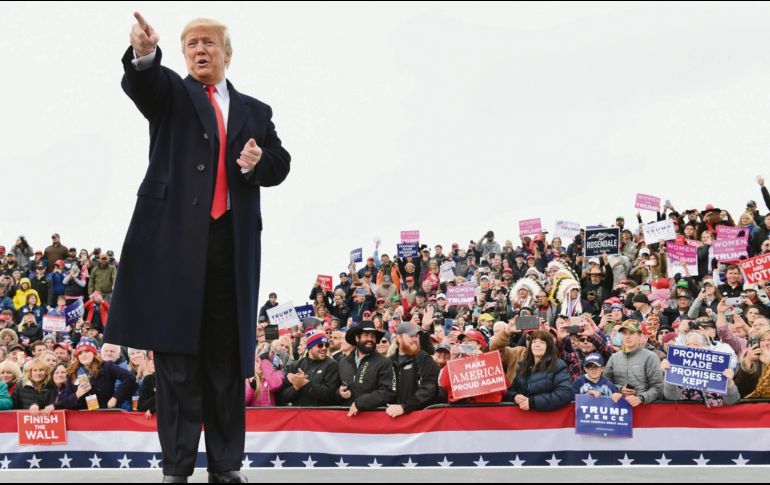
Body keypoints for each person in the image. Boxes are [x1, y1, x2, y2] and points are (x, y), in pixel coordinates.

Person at [104, 12, 291, 483]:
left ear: (227, 54)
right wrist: (145, 53)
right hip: (175, 248)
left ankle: (226, 466)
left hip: (231, 246)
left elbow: (281, 162)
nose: (199, 50)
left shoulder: (256, 111)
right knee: (178, 364)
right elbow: (144, 85)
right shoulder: (172, 94)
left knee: (227, 364)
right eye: (191, 45)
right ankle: (177, 466)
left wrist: (258, 162)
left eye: (208, 43)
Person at [661, 332, 739, 406]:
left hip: (715, 415)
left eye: (696, 344)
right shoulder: (677, 367)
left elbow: (732, 401)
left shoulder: (719, 368)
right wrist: (669, 374)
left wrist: (729, 384)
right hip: (689, 415)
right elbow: (671, 397)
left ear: (706, 348)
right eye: (688, 344)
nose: (691, 347)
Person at [57, 338, 136, 411]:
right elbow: (63, 402)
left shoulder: (107, 366)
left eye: (87, 351)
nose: (83, 355)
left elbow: (130, 378)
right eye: (80, 353)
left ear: (94, 353)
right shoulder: (72, 373)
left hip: (105, 416)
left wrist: (115, 398)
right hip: (82, 418)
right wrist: (77, 395)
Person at [337, 322, 397, 417]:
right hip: (346, 421)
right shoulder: (342, 362)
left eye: (373, 336)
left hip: (372, 420)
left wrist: (361, 402)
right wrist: (339, 392)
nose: (370, 339)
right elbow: (335, 387)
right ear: (357, 338)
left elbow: (388, 392)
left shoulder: (384, 362)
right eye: (366, 335)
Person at [506, 329, 574, 411]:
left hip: (547, 419)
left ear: (549, 347)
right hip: (524, 418)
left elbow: (565, 393)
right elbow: (512, 389)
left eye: (542, 342)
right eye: (534, 342)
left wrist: (533, 402)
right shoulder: (522, 366)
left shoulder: (558, 365)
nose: (537, 345)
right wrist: (515, 396)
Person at [604, 320, 663, 407]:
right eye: (624, 333)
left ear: (639, 335)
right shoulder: (614, 357)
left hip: (644, 409)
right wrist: (619, 389)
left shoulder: (650, 357)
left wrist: (640, 398)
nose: (627, 337)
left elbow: (658, 388)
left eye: (631, 333)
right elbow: (605, 382)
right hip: (618, 409)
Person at [386, 322, 439, 417]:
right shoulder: (388, 362)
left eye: (416, 336)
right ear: (398, 338)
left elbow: (429, 388)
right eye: (411, 336)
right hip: (391, 417)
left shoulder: (424, 358)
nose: (415, 339)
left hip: (418, 419)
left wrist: (404, 407)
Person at [280, 330, 340, 406]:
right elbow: (283, 397)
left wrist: (305, 383)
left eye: (327, 345)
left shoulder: (331, 364)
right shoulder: (295, 365)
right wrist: (296, 387)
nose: (324, 348)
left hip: (320, 415)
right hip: (299, 415)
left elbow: (330, 394)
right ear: (310, 346)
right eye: (320, 345)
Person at [245, 343, 284, 407]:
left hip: (271, 415)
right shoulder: (248, 378)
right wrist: (251, 388)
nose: (260, 364)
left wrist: (265, 361)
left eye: (264, 361)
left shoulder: (277, 373)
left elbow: (275, 385)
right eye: (257, 361)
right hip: (253, 416)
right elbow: (242, 402)